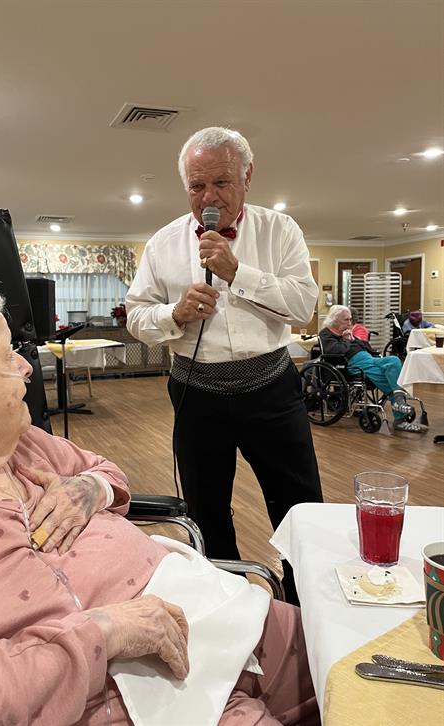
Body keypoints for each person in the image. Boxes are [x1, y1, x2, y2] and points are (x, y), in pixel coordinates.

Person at [0, 273, 320, 725]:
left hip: (213, 612)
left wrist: (91, 488)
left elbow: (107, 472)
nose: (27, 366)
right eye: (8, 355)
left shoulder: (25, 443)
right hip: (140, 689)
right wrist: (105, 632)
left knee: (352, 650)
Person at [126, 126, 323, 601]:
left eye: (221, 182)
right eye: (197, 186)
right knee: (205, 509)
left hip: (271, 390)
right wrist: (174, 314)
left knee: (300, 506)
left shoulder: (280, 230)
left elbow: (303, 306)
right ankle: (229, 606)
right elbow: (136, 316)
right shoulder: (162, 243)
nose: (208, 197)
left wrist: (238, 273)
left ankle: (306, 605)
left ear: (247, 177)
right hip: (196, 395)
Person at [319, 305, 424, 433]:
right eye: (346, 319)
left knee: (394, 360)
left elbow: (366, 347)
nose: (350, 323)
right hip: (352, 364)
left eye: (350, 319)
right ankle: (399, 418)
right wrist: (346, 341)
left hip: (369, 359)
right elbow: (335, 352)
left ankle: (398, 401)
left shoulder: (347, 332)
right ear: (335, 320)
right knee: (387, 378)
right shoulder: (326, 334)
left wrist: (354, 339)